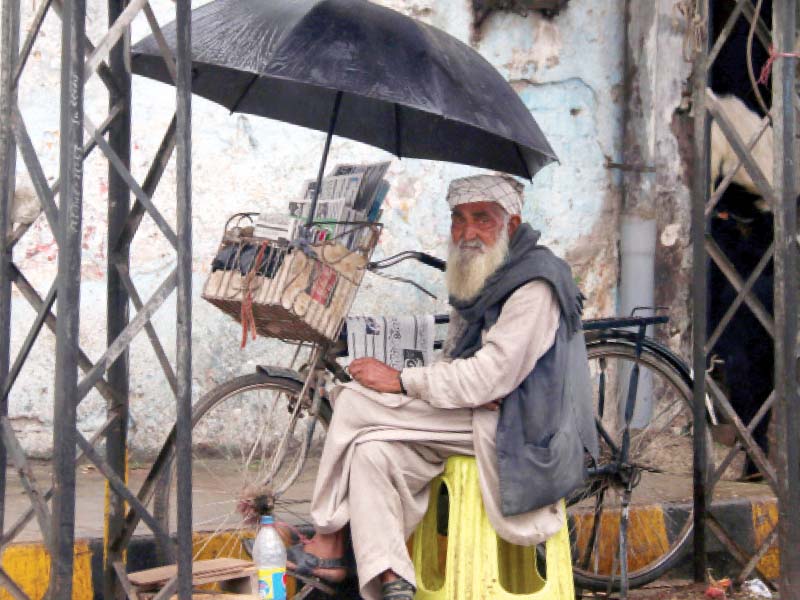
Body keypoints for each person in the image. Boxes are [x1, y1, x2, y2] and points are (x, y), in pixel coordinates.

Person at [286, 174, 599, 600]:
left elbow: (490, 377)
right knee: (371, 451)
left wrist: (400, 381)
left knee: (357, 403)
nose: (468, 232)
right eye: (459, 219)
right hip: (481, 414)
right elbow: (462, 368)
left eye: (482, 219)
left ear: (510, 224)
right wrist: (420, 384)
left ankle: (328, 540)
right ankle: (391, 576)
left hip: (518, 432)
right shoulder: (483, 273)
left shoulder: (535, 285)